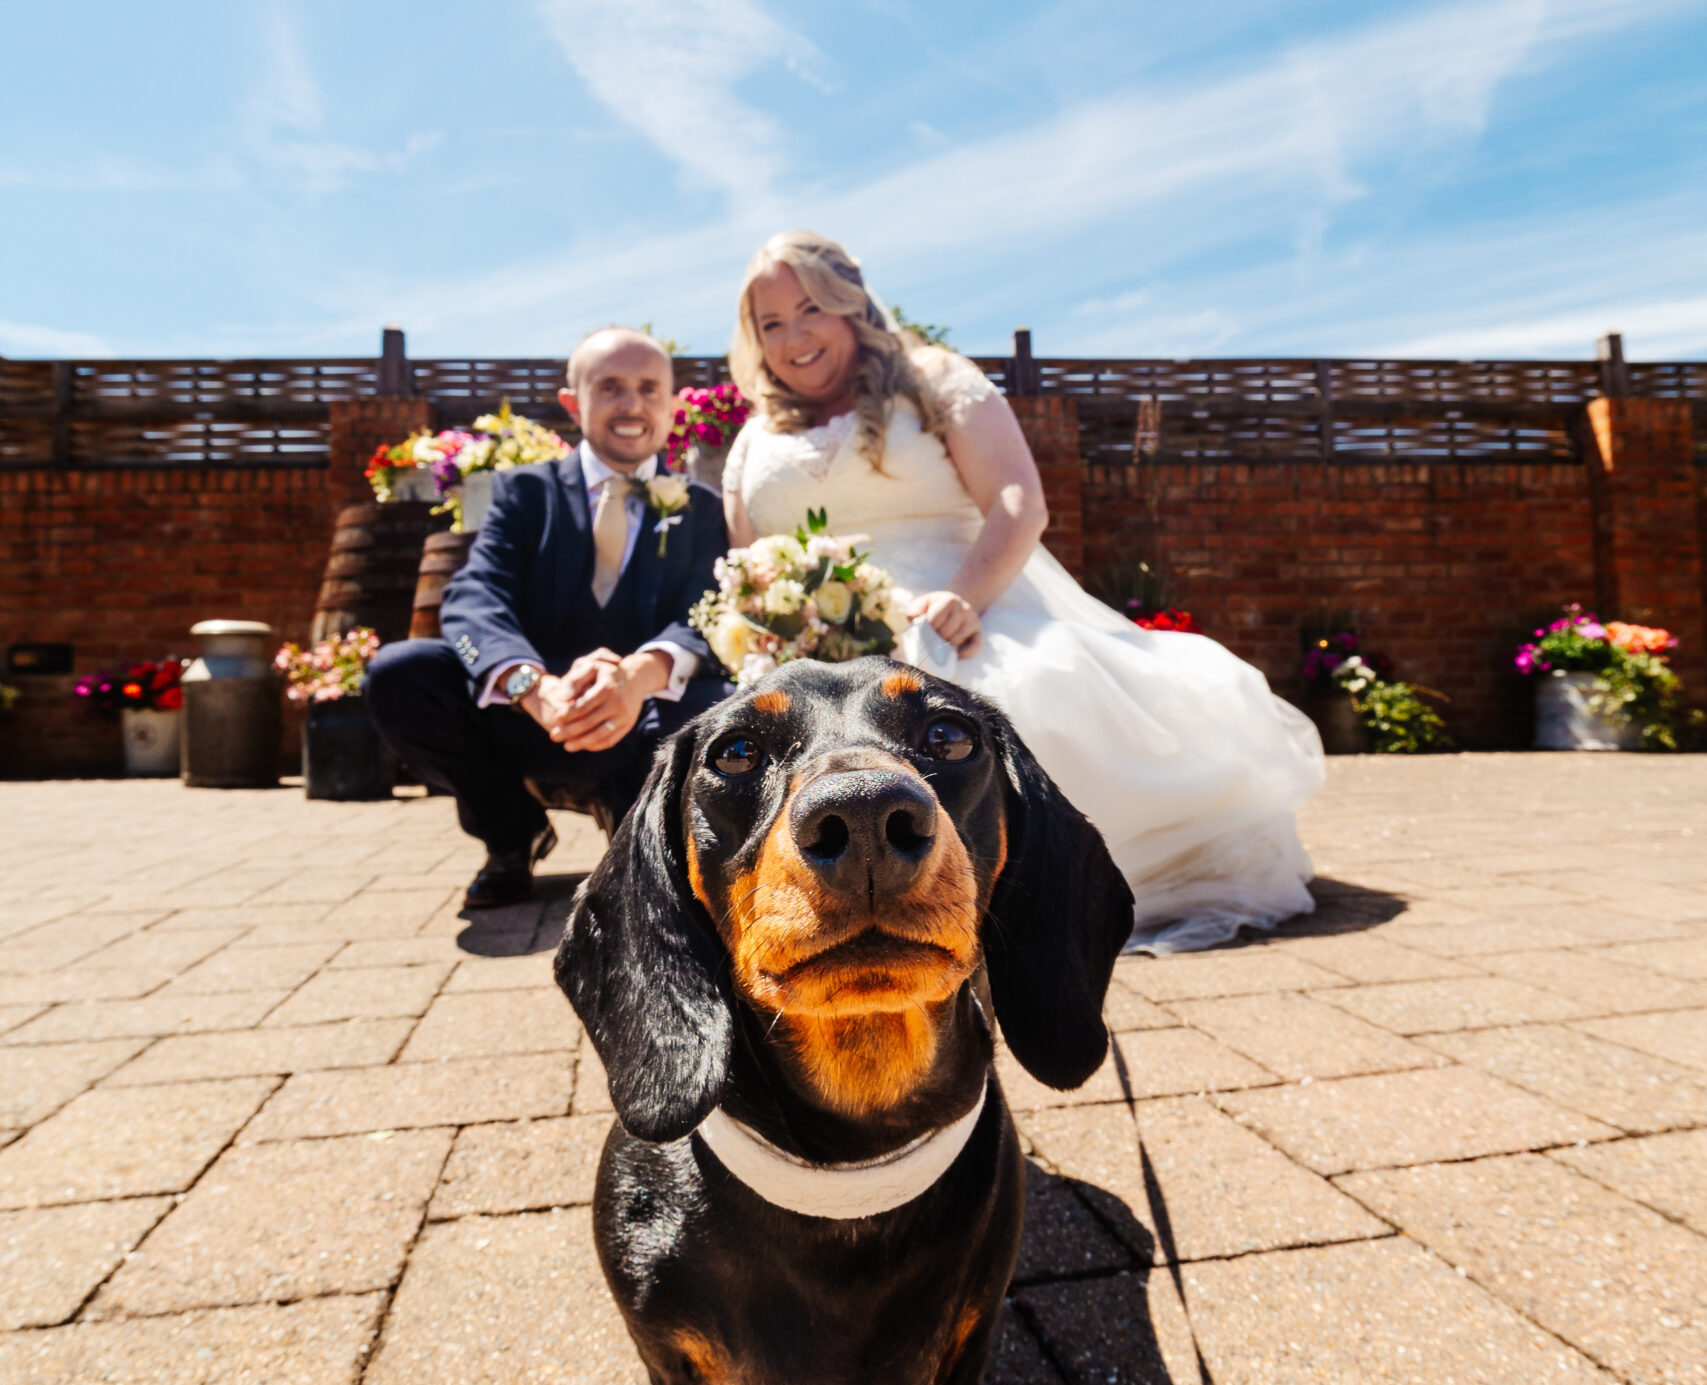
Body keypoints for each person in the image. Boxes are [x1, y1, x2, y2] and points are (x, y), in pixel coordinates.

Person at [722, 232, 1326, 951]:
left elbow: (1017, 498)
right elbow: (745, 561)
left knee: (1017, 702)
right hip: (815, 649)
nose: (793, 338)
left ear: (851, 305)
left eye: (809, 309)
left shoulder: (930, 378)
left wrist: (964, 600)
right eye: (770, 324)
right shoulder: (753, 436)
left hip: (957, 608)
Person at [366, 328, 729, 910]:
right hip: (530, 710)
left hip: (644, 718)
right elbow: (473, 596)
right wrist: (530, 687)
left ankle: (638, 826)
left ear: (671, 403)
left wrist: (638, 677)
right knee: (400, 672)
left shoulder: (701, 507)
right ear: (573, 403)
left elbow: (707, 612)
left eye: (647, 389)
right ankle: (513, 834)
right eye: (610, 387)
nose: (632, 405)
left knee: (721, 699)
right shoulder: (522, 493)